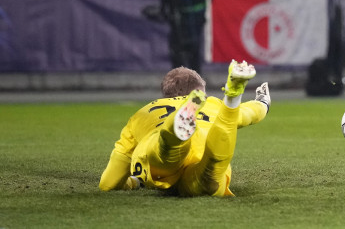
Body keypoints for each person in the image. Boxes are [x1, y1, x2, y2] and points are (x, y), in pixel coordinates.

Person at [99, 62, 271, 197]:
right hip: (202, 145)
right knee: (210, 175)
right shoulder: (212, 103)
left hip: (156, 159)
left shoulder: (142, 113)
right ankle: (232, 98)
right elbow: (251, 113)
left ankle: (174, 133)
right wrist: (263, 102)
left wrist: (132, 182)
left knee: (164, 151)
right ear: (199, 92)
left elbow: (108, 182)